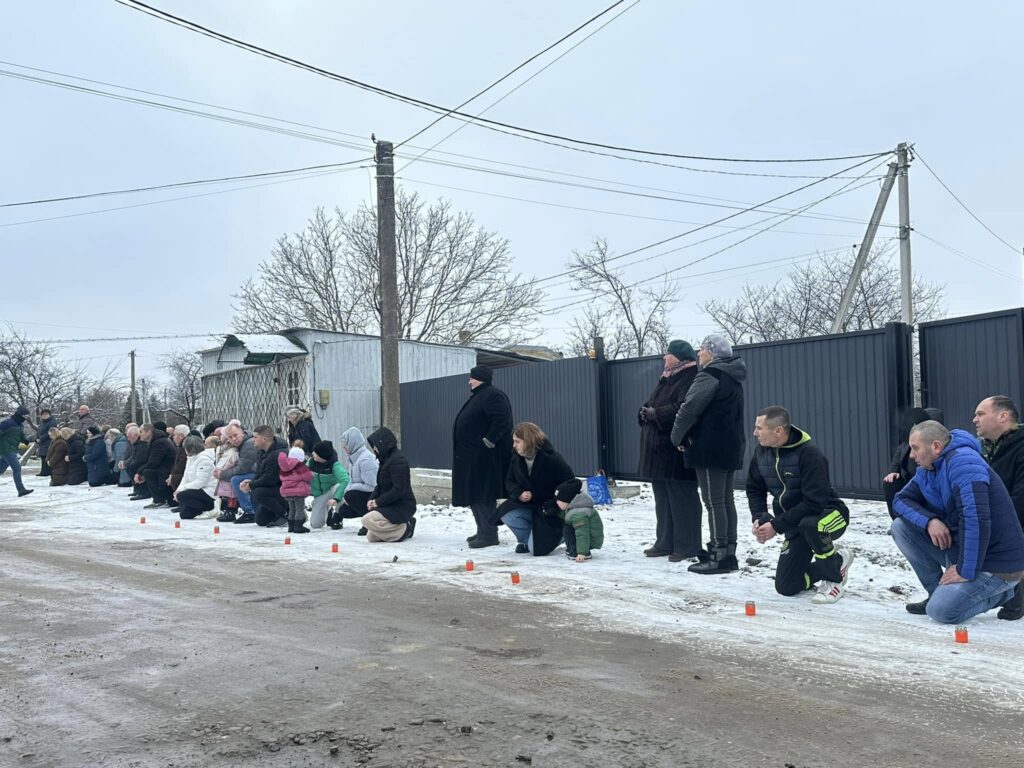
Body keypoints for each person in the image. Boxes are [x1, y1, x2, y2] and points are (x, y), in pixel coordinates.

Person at [892, 421, 1024, 624]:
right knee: (901, 528)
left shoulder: (964, 463)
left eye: (915, 448)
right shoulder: (928, 469)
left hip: (997, 563)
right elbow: (900, 500)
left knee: (942, 612)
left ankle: (1008, 592)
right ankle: (936, 592)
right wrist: (930, 521)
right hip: (967, 551)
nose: (911, 455)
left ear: (936, 446)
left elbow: (976, 520)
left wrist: (965, 570)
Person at [747, 406, 854, 603]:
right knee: (787, 587)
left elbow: (814, 503)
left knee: (811, 524)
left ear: (778, 431)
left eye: (759, 428)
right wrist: (759, 518)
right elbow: (754, 489)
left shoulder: (809, 454)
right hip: (794, 524)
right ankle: (837, 560)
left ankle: (834, 581)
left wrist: (776, 525)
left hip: (830, 516)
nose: (754, 433)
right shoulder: (761, 453)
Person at [671, 334, 747, 575]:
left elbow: (689, 409)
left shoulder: (710, 375)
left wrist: (676, 437)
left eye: (702, 349)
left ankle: (718, 554)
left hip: (709, 447)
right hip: (730, 446)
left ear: (712, 353)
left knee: (714, 502)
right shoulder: (733, 377)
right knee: (725, 500)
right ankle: (729, 551)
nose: (699, 353)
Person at [638, 339, 702, 562]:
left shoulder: (691, 376)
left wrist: (657, 414)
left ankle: (688, 546)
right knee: (663, 498)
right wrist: (644, 411)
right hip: (659, 450)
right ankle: (665, 542)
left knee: (682, 498)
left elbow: (684, 408)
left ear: (680, 357)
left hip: (677, 450)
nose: (664, 357)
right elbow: (653, 402)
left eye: (668, 354)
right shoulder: (667, 377)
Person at [974, 395, 1024, 621]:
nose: (974, 419)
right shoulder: (988, 449)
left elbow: (1020, 501)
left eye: (981, 414)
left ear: (1003, 416)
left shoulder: (1020, 447)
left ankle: (1014, 597)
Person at [452, 365, 514, 548]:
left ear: (480, 378)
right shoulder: (480, 396)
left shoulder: (493, 395)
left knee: (483, 496)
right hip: (473, 458)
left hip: (485, 458)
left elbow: (502, 420)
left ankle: (488, 535)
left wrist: (488, 441)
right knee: (474, 496)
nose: (469, 381)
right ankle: (482, 530)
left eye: (472, 377)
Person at [495, 422, 575, 557]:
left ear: (528, 441)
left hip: (549, 510)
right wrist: (519, 493)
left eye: (517, 441)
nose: (514, 445)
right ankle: (526, 540)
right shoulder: (516, 458)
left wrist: (555, 504)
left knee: (536, 550)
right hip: (529, 506)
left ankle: (563, 534)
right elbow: (510, 481)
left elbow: (570, 483)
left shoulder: (553, 459)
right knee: (507, 514)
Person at [361, 426, 417, 542]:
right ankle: (397, 530)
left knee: (366, 520)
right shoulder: (385, 460)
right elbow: (379, 486)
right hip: (389, 504)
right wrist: (371, 500)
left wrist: (377, 502)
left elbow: (399, 489)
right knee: (371, 537)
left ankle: (406, 527)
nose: (374, 449)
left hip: (402, 505)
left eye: (375, 446)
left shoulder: (398, 461)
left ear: (383, 444)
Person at [884, 407, 936, 519]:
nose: (913, 455)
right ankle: (899, 520)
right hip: (908, 482)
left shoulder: (930, 443)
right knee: (890, 482)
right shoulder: (904, 445)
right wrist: (893, 472)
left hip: (923, 484)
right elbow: (896, 461)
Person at [240, 425, 289, 527]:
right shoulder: (263, 451)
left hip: (286, 490)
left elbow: (270, 479)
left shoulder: (277, 454)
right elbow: (259, 473)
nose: (253, 440)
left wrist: (251, 485)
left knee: (258, 492)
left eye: (255, 437)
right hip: (274, 489)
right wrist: (250, 482)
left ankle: (287, 514)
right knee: (261, 520)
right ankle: (278, 513)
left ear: (264, 439)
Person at [336, 427, 379, 534]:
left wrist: (351, 490)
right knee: (343, 511)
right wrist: (347, 490)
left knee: (351, 496)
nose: (344, 447)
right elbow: (351, 480)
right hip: (362, 495)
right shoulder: (353, 458)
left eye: (346, 444)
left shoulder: (366, 459)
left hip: (374, 496)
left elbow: (373, 485)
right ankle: (367, 515)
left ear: (354, 443)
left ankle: (370, 522)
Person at [553, 478, 604, 562]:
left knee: (568, 529)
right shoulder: (575, 507)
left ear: (567, 500)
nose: (557, 502)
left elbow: (582, 533)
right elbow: (568, 516)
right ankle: (573, 548)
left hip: (589, 539)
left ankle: (580, 552)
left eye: (559, 500)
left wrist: (582, 552)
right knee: (567, 526)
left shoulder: (579, 513)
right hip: (587, 538)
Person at [217, 424, 259, 524]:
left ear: (242, 432)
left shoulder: (248, 444)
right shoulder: (244, 443)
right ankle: (232, 508)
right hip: (256, 471)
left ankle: (249, 511)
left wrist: (222, 474)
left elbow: (242, 468)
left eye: (235, 435)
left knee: (236, 479)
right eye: (230, 437)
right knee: (233, 478)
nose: (234, 439)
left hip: (259, 473)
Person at [307, 440, 350, 530]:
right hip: (319, 496)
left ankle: (337, 516)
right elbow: (300, 473)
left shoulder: (334, 464)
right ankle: (328, 510)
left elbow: (345, 480)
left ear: (322, 455)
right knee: (316, 524)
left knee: (340, 487)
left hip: (331, 492)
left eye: (315, 452)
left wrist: (336, 498)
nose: (312, 453)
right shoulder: (311, 463)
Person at [174, 435, 219, 520]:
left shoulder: (204, 459)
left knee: (181, 496)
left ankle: (210, 506)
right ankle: (203, 507)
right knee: (184, 515)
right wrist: (178, 489)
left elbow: (201, 482)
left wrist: (182, 490)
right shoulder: (191, 459)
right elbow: (185, 477)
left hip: (208, 491)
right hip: (196, 490)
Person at [136, 423, 175, 509]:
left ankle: (160, 500)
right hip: (163, 468)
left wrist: (139, 472)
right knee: (147, 471)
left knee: (148, 472)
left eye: (141, 432)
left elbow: (153, 462)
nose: (139, 434)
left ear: (148, 432)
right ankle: (158, 499)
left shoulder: (159, 442)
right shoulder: (155, 441)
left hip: (167, 470)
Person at [279, 446, 315, 534]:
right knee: (299, 509)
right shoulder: (299, 466)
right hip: (298, 492)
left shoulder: (285, 467)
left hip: (287, 492)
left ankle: (291, 526)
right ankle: (298, 526)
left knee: (292, 509)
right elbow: (308, 476)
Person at [0, 405, 34, 497]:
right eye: (25, 416)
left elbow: (21, 435)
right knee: (17, 468)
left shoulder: (20, 425)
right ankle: (21, 489)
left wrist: (25, 440)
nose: (26, 418)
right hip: (5, 449)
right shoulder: (7, 423)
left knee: (1, 469)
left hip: (12, 449)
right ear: (20, 415)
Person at [213, 437, 241, 523]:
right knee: (226, 496)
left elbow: (228, 464)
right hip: (224, 477)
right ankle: (227, 511)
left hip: (227, 477)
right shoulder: (227, 452)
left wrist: (220, 471)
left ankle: (230, 512)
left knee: (231, 497)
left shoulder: (233, 453)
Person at [166, 425, 190, 509]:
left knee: (176, 478)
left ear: (181, 436)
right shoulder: (181, 445)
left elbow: (182, 464)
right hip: (183, 471)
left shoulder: (186, 445)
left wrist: (172, 475)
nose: (173, 437)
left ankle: (182, 503)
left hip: (186, 473)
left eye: (175, 435)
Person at [125, 426, 151, 500]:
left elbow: (141, 458)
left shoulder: (142, 443)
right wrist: (126, 463)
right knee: (130, 467)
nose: (128, 439)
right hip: (139, 462)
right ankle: (137, 489)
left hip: (144, 464)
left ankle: (143, 491)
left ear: (136, 435)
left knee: (134, 468)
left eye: (130, 437)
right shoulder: (136, 443)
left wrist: (131, 464)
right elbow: (133, 456)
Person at [35, 408, 57, 477]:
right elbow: (39, 431)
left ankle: (47, 471)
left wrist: (41, 439)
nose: (44, 416)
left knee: (47, 456)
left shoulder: (52, 422)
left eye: (46, 414)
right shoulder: (42, 422)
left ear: (49, 415)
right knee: (43, 456)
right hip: (42, 442)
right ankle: (44, 471)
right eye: (43, 414)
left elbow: (50, 432)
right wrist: (37, 438)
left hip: (48, 441)